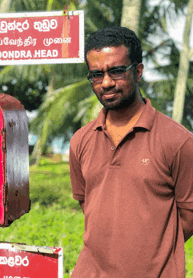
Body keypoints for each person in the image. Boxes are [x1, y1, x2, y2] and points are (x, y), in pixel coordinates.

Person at [69, 26, 193, 278]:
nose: (106, 83)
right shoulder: (80, 141)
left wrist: (146, 251)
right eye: (96, 74)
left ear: (137, 72)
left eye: (116, 71)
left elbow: (189, 216)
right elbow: (88, 204)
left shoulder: (177, 141)